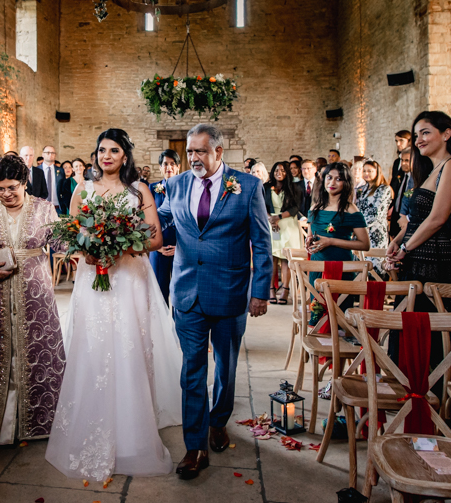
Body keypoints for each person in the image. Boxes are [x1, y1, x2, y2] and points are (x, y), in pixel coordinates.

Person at [45, 129, 182, 481]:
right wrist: (87, 249)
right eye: (102, 150)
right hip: (93, 278)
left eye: (115, 151)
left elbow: (155, 236)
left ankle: (133, 431)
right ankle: (91, 420)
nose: (107, 156)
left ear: (125, 156)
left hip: (130, 278)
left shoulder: (139, 191)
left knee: (129, 347)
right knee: (94, 347)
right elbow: (70, 232)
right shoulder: (83, 189)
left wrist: (123, 246)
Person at [154, 123, 271, 480]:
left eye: (200, 151)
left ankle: (219, 421)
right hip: (187, 292)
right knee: (191, 370)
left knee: (226, 365)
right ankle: (195, 446)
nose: (193, 158)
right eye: (190, 151)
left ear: (219, 152)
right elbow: (157, 220)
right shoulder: (174, 185)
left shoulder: (247, 186)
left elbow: (262, 242)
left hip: (230, 291)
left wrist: (260, 291)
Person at [0, 154, 67, 453]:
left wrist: (89, 241)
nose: (6, 194)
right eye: (0, 188)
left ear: (25, 183)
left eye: (12, 187)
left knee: (35, 349)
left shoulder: (45, 209)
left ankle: (38, 422)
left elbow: (60, 244)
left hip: (35, 293)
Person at [387, 111, 451, 291]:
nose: (419, 140)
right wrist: (397, 240)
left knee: (428, 317)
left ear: (446, 134)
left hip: (434, 259)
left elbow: (437, 219)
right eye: (416, 135)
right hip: (417, 255)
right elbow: (419, 220)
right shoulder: (430, 171)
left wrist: (405, 247)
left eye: (425, 132)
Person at [305, 163, 369, 286]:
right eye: (329, 177)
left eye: (338, 179)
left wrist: (331, 241)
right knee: (317, 304)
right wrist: (308, 241)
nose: (332, 183)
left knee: (340, 304)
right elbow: (311, 235)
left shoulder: (350, 209)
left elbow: (365, 244)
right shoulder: (315, 208)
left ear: (346, 183)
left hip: (341, 266)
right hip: (317, 265)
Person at [265, 161, 304, 305]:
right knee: (272, 257)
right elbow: (261, 204)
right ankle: (271, 289)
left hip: (287, 223)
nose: (278, 173)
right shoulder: (266, 187)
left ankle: (286, 290)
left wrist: (279, 217)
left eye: (282, 170)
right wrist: (270, 217)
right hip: (271, 224)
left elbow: (296, 207)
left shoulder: (294, 188)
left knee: (286, 258)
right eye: (276, 170)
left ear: (287, 172)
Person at [149, 149, 180, 304]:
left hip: (179, 247)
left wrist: (180, 247)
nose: (169, 167)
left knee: (179, 292)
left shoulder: (185, 189)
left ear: (178, 167)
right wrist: (155, 246)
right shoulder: (152, 189)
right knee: (159, 292)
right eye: (165, 164)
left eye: (172, 164)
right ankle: (161, 327)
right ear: (160, 167)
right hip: (158, 247)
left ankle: (178, 327)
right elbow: (148, 219)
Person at [355, 159, 393, 272]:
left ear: (377, 172)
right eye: (364, 171)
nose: (366, 173)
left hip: (375, 230)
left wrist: (358, 226)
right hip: (361, 230)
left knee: (375, 265)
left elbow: (377, 213)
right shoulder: (362, 189)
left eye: (370, 171)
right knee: (361, 265)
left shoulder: (384, 189)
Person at [389, 147, 413, 240]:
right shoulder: (402, 176)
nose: (403, 163)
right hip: (397, 216)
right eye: (402, 160)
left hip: (408, 219)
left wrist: (405, 217)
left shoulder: (415, 179)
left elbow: (408, 196)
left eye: (407, 160)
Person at [39, 145, 64, 214]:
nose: (50, 155)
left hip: (57, 208)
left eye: (53, 153)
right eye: (48, 152)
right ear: (43, 154)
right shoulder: (37, 170)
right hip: (40, 208)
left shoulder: (61, 171)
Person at [388, 130, 412, 198]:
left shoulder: (416, 161)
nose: (398, 144)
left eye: (401, 140)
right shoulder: (397, 162)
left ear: (409, 141)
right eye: (396, 141)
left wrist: (406, 198)